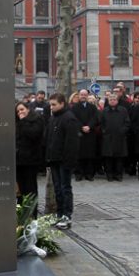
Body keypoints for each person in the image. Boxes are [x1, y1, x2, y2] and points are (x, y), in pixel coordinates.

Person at [46, 92, 79, 229]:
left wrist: (68, 161)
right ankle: (59, 214)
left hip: (64, 160)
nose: (51, 107)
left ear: (62, 103)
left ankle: (67, 215)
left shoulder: (69, 118)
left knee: (65, 188)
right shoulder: (53, 118)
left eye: (54, 105)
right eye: (50, 105)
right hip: (54, 159)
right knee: (58, 189)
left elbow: (71, 143)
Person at [15, 102, 45, 202]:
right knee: (20, 188)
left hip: (31, 160)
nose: (20, 112)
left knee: (30, 187)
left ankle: (32, 213)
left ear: (28, 109)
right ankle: (21, 212)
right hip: (19, 160)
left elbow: (33, 134)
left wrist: (23, 121)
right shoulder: (17, 121)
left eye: (22, 109)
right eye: (18, 111)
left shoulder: (37, 119)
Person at [99, 92, 130, 182]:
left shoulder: (123, 110)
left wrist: (122, 131)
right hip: (108, 138)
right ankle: (109, 174)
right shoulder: (104, 111)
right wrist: (104, 132)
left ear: (117, 101)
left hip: (120, 137)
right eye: (110, 100)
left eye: (114, 100)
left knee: (119, 158)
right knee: (108, 158)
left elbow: (127, 123)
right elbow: (101, 123)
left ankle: (118, 174)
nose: (112, 101)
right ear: (108, 101)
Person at [72, 89, 99, 181]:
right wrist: (82, 127)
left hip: (90, 134)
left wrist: (89, 126)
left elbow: (95, 118)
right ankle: (79, 174)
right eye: (81, 94)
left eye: (85, 95)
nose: (83, 96)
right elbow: (73, 119)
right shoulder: (74, 107)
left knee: (90, 155)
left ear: (87, 96)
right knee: (79, 155)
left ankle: (89, 174)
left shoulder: (92, 107)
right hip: (79, 134)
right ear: (79, 95)